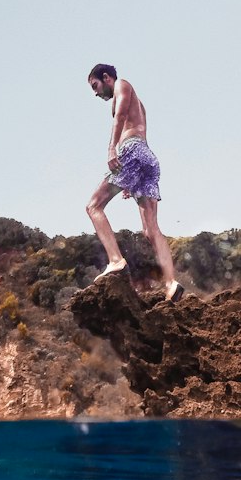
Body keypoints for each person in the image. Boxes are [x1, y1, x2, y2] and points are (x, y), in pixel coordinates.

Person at [85, 64, 183, 302]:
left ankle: (115, 260)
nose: (96, 93)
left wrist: (111, 148)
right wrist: (132, 179)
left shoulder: (122, 85)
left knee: (93, 206)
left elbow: (119, 117)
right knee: (151, 230)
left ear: (106, 77)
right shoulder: (139, 103)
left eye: (95, 86)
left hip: (132, 151)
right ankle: (171, 283)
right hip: (147, 158)